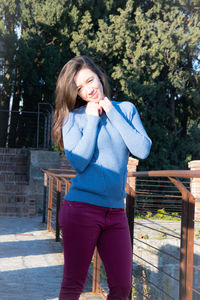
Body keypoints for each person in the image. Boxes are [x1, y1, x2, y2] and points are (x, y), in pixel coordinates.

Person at [52, 55, 152, 300]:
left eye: (90, 80)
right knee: (74, 285)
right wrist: (93, 119)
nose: (88, 89)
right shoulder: (72, 118)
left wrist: (110, 110)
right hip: (81, 209)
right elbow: (79, 161)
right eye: (80, 88)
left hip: (116, 212)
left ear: (99, 76)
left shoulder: (125, 109)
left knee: (121, 286)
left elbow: (142, 149)